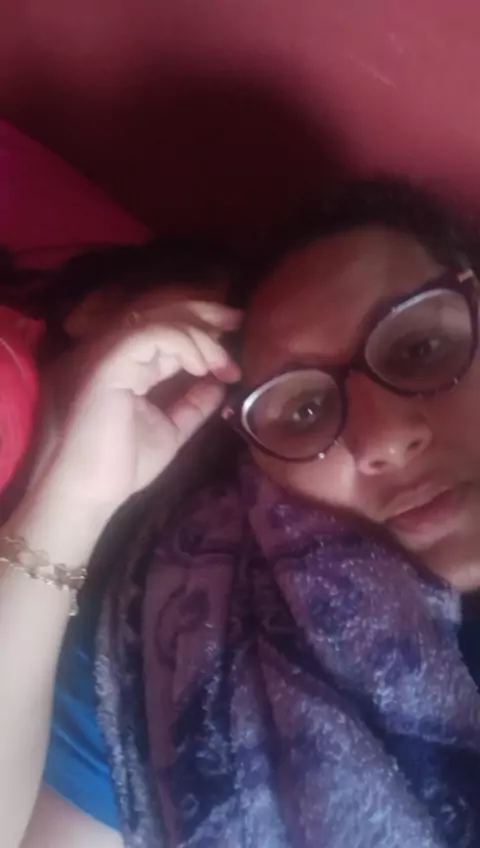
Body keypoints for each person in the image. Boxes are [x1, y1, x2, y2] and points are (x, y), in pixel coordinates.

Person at [4, 177, 480, 847]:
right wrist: (73, 499)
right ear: (257, 461)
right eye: (304, 409)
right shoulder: (182, 618)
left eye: (420, 349)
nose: (385, 440)